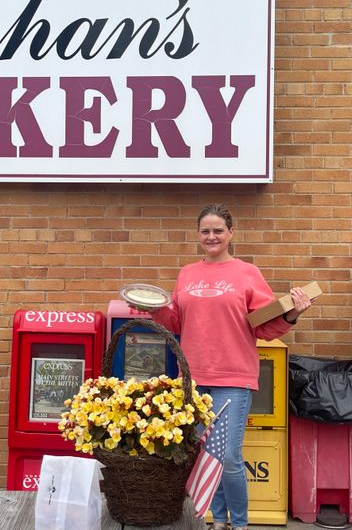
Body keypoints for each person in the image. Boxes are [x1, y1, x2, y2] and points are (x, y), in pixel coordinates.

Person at [148, 204, 312, 530]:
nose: (211, 236)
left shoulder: (247, 273)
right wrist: (152, 308)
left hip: (234, 378)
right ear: (198, 235)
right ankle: (217, 520)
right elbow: (178, 321)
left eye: (218, 231)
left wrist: (293, 313)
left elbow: (263, 326)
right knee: (205, 457)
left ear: (230, 234)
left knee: (230, 458)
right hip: (193, 379)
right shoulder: (187, 274)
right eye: (205, 231)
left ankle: (239, 524)